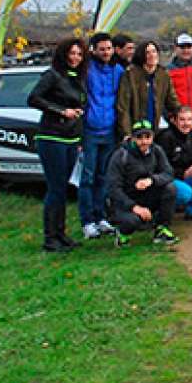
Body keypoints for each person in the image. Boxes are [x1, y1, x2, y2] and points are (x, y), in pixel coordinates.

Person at [28, 37, 88, 252]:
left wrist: (80, 136)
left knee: (64, 189)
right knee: (55, 189)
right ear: (63, 54)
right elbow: (33, 98)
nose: (75, 58)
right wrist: (61, 111)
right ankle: (50, 238)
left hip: (71, 138)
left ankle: (61, 234)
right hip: (52, 138)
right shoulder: (52, 75)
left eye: (79, 54)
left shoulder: (79, 78)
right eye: (72, 53)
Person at [106, 120, 179, 247]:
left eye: (147, 137)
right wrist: (134, 207)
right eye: (139, 137)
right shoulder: (120, 155)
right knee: (132, 221)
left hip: (147, 195)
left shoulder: (156, 150)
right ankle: (122, 234)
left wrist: (152, 180)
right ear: (132, 138)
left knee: (170, 189)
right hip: (125, 200)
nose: (144, 141)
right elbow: (113, 188)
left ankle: (162, 229)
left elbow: (168, 173)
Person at [79, 32, 122, 239]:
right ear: (93, 50)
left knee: (103, 177)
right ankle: (87, 221)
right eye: (102, 49)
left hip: (110, 131)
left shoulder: (117, 70)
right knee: (87, 178)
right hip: (90, 131)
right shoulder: (86, 71)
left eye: (109, 48)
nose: (106, 52)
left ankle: (101, 217)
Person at [115, 40, 181, 140]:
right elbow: (123, 107)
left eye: (154, 51)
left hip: (156, 128)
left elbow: (172, 101)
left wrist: (184, 119)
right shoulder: (130, 74)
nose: (152, 55)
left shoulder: (163, 75)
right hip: (136, 128)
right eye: (147, 52)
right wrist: (126, 133)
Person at [167, 32, 192, 116]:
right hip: (177, 119)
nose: (186, 50)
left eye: (189, 47)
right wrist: (170, 116)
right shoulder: (167, 70)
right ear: (175, 48)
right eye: (182, 47)